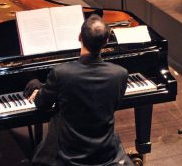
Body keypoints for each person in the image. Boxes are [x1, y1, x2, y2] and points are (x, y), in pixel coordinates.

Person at [24, 15, 134, 166]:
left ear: (79, 37)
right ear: (107, 41)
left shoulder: (61, 73)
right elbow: (112, 105)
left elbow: (42, 104)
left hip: (69, 156)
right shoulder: (120, 73)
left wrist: (35, 86)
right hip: (104, 152)